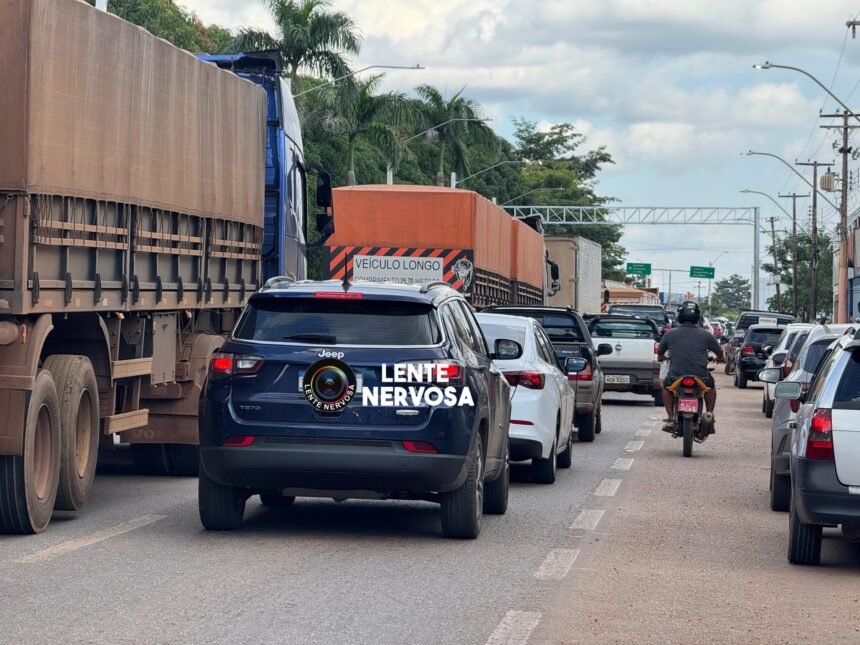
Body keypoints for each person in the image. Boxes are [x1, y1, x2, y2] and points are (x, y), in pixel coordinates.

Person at [658, 301, 723, 433]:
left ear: (679, 316)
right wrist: (720, 359)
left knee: (666, 387)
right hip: (700, 377)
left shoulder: (670, 333)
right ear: (697, 316)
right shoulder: (706, 334)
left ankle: (671, 418)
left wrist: (663, 358)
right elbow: (719, 352)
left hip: (676, 376)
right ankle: (709, 414)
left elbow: (660, 351)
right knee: (710, 386)